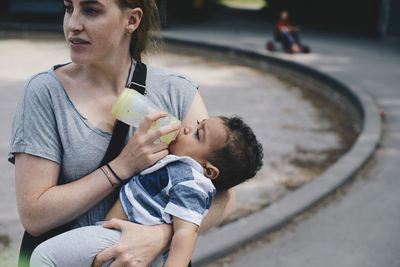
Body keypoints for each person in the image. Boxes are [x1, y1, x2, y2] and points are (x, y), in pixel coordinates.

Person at [8, 0, 237, 266]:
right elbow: (35, 216)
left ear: (132, 20)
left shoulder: (177, 92)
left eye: (91, 10)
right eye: (69, 8)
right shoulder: (46, 92)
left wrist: (159, 237)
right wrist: (122, 166)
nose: (73, 24)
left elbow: (224, 197)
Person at [30, 116, 264, 267]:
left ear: (208, 171)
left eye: (197, 134)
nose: (187, 127)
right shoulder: (175, 166)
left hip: (127, 241)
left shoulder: (191, 182)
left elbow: (186, 233)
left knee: (44, 257)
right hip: (117, 240)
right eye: (198, 123)